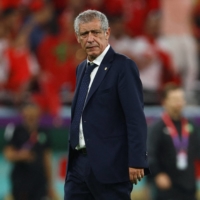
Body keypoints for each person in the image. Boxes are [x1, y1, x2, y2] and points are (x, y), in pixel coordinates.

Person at [64, 9, 150, 200]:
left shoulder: (123, 66)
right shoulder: (81, 69)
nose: (90, 38)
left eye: (95, 32)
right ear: (78, 38)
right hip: (78, 166)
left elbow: (135, 116)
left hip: (111, 165)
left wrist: (137, 160)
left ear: (107, 33)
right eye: (85, 34)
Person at [147, 84, 200, 200]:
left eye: (181, 99)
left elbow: (197, 151)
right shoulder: (157, 128)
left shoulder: (191, 125)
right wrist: (157, 174)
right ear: (165, 102)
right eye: (175, 99)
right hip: (166, 188)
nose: (179, 103)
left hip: (189, 186)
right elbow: (149, 154)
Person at [3, 103, 57, 200]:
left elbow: (47, 160)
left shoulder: (44, 132)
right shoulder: (16, 131)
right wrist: (20, 156)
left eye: (33, 116)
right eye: (28, 115)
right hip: (20, 181)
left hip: (39, 182)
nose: (31, 117)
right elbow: (8, 154)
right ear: (23, 115)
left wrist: (50, 186)